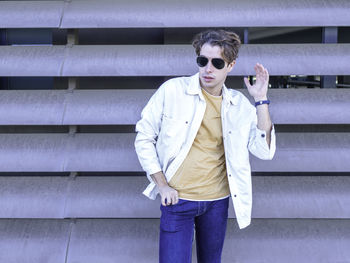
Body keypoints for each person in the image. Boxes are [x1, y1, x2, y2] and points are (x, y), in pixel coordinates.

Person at [134, 29, 276, 263]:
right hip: (177, 200)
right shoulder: (172, 91)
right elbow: (143, 137)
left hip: (216, 203)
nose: (208, 69)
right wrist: (161, 185)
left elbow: (264, 151)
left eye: (217, 63)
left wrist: (261, 100)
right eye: (203, 61)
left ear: (231, 65)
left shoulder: (239, 105)